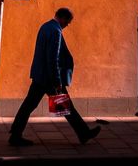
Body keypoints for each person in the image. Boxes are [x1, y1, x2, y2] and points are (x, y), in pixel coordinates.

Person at [9, 8, 101, 146]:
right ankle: (84, 134)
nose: (67, 25)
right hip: (49, 78)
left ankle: (15, 135)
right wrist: (57, 81)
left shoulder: (45, 26)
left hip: (40, 75)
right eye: (68, 22)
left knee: (30, 105)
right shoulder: (56, 31)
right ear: (63, 18)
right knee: (65, 106)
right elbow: (53, 58)